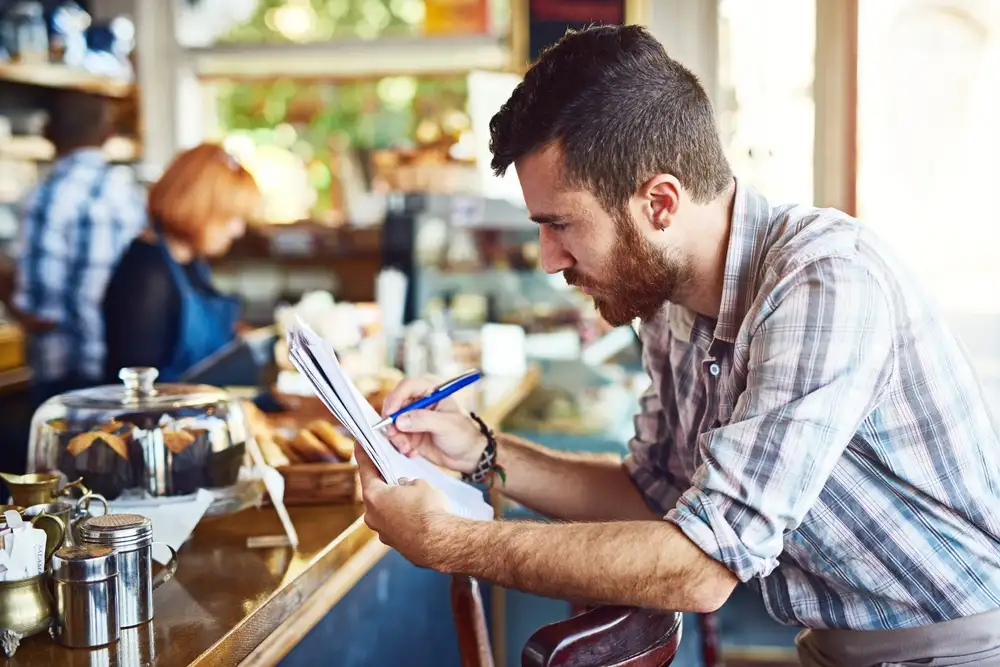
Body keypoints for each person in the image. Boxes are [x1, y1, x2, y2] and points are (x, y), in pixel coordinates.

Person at [356, 25, 1000, 667]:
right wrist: (485, 450)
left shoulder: (824, 281)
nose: (549, 260)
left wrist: (447, 540)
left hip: (962, 649)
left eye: (561, 224)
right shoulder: (667, 303)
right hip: (837, 651)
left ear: (660, 202)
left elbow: (701, 567)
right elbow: (654, 494)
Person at [7, 90, 146, 403]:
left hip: (67, 371)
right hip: (122, 363)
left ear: (47, 132)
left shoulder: (48, 194)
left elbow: (41, 310)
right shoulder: (127, 191)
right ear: (109, 134)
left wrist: (6, 290)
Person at [102, 143, 260, 382]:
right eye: (230, 217)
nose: (237, 230)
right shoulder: (147, 275)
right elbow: (140, 395)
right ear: (197, 207)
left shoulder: (191, 261)